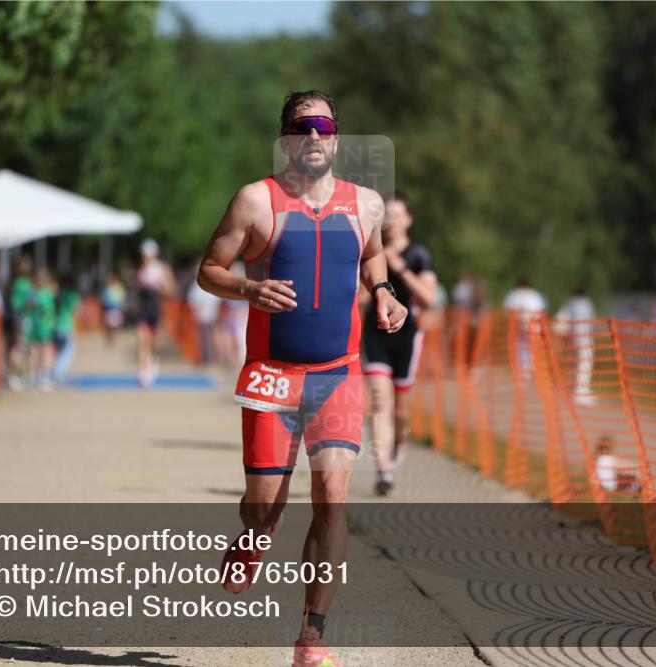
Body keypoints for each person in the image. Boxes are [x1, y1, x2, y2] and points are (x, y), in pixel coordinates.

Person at [196, 90, 406, 667]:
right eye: (301, 126)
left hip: (338, 373)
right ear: (286, 139)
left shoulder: (366, 204)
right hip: (272, 375)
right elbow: (209, 270)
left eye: (324, 126)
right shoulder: (255, 201)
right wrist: (248, 287)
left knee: (333, 497)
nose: (314, 135)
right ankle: (256, 536)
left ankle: (312, 638)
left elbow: (372, 256)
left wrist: (383, 291)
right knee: (263, 507)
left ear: (336, 138)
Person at [361, 192, 437, 496]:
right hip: (375, 332)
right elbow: (359, 297)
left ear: (408, 219)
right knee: (380, 399)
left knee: (399, 410)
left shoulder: (419, 255)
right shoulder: (371, 252)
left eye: (396, 215)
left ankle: (397, 447)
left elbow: (429, 297)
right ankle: (384, 471)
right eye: (386, 216)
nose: (390, 221)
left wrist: (400, 268)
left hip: (407, 336)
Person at [133, 239, 175, 386]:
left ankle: (151, 364)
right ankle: (143, 372)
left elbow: (171, 289)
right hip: (144, 310)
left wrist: (158, 286)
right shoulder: (141, 271)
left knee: (152, 342)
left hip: (157, 310)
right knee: (141, 339)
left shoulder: (162, 269)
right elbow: (137, 291)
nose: (145, 258)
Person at [554, 286, 596, 406]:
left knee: (574, 365)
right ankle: (580, 392)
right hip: (585, 339)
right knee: (584, 365)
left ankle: (574, 390)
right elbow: (591, 320)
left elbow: (562, 319)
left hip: (573, 338)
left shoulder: (570, 303)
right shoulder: (587, 303)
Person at [503, 278, 546, 381]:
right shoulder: (534, 295)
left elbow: (507, 312)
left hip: (524, 325)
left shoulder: (514, 295)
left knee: (523, 347)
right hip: (526, 325)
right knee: (526, 346)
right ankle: (527, 369)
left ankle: (526, 369)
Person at [6, 256, 34, 390]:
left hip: (16, 317)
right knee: (19, 347)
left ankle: (15, 375)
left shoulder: (15, 283)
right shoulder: (24, 283)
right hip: (21, 317)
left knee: (17, 347)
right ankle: (15, 376)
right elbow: (30, 302)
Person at [27, 268, 57, 391]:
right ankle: (45, 377)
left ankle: (33, 376)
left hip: (34, 324)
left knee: (34, 350)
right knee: (46, 350)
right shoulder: (47, 294)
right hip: (45, 326)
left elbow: (28, 307)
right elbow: (49, 310)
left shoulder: (33, 293)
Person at [52, 273, 80, 384]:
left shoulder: (58, 294)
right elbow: (75, 311)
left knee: (59, 351)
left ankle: (56, 373)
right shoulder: (72, 295)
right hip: (66, 325)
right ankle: (58, 374)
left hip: (55, 325)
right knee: (68, 350)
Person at [99, 272, 126, 346]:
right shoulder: (106, 289)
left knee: (114, 326)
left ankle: (113, 338)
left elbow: (121, 298)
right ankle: (109, 339)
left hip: (115, 309)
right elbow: (103, 299)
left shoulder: (118, 288)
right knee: (108, 325)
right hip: (108, 309)